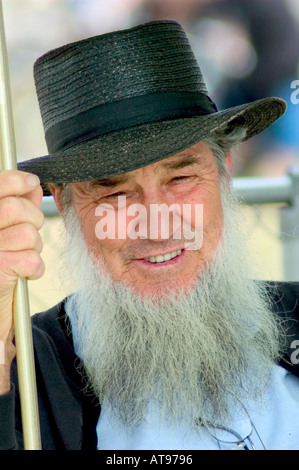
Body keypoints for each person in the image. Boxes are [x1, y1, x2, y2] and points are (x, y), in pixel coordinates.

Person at [0, 20, 298, 451]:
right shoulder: (29, 371)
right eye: (114, 191)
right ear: (65, 206)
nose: (155, 220)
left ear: (224, 175)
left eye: (180, 176)